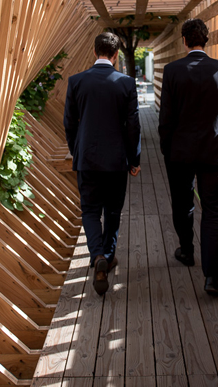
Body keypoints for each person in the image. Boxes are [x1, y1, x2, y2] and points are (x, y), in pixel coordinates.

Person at [158, 19, 218, 296]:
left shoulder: (172, 71)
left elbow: (166, 115)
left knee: (182, 203)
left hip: (179, 151)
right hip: (212, 150)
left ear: (184, 41)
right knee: (213, 209)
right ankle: (212, 276)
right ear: (207, 39)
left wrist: (166, 147)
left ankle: (187, 250)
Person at [64, 32, 142, 295]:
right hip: (117, 160)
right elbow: (133, 125)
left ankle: (97, 254)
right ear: (116, 54)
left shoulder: (76, 82)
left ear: (94, 51)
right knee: (112, 211)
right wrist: (134, 159)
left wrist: (77, 151)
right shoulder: (126, 83)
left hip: (87, 158)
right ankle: (107, 258)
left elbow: (69, 123)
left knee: (90, 210)